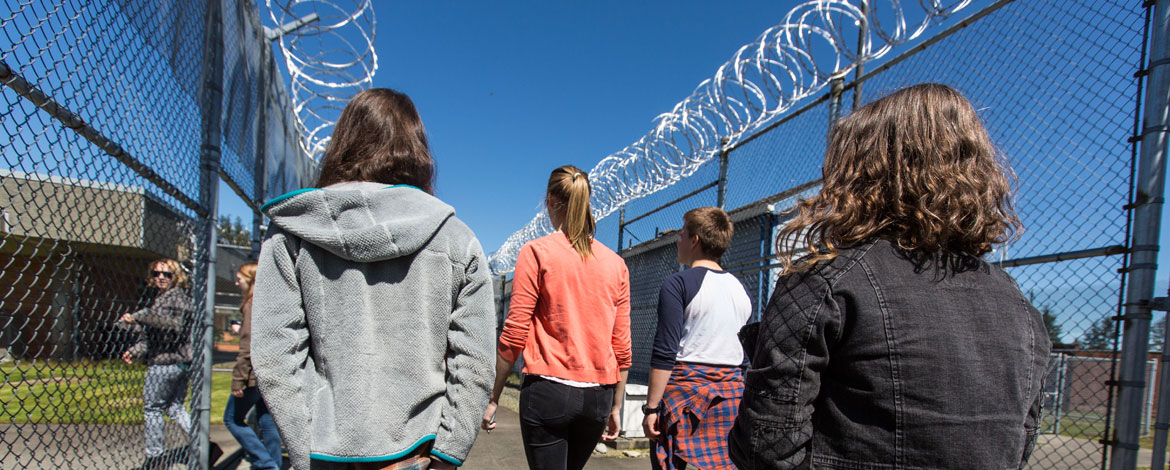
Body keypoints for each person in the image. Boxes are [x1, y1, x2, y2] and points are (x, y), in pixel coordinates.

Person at [728, 83, 1051, 469]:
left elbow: (766, 445)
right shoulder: (1017, 305)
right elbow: (1020, 441)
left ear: (857, 176)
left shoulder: (825, 281)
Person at [250, 88, 496, 470]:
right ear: (418, 150)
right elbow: (475, 361)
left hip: (324, 448)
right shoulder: (455, 237)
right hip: (420, 448)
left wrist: (302, 448)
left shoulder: (292, 232)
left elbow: (275, 355)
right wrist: (449, 453)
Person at [483, 165, 632, 470]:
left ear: (550, 201)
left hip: (548, 390)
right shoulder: (616, 266)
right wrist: (616, 406)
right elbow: (622, 346)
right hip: (598, 397)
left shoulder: (537, 252)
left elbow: (514, 333)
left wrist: (493, 396)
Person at [643, 207, 751, 470]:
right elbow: (744, 355)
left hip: (684, 398)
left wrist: (651, 409)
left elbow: (665, 350)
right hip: (730, 397)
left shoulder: (678, 283)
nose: (678, 241)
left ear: (695, 240)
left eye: (682, 235)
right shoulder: (740, 289)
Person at [118, 258, 195, 469]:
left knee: (152, 408)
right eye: (156, 274)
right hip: (179, 361)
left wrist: (141, 316)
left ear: (176, 277)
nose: (161, 277)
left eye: (167, 274)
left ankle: (155, 457)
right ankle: (199, 442)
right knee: (174, 408)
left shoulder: (176, 297)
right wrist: (135, 350)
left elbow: (173, 326)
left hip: (166, 363)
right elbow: (155, 337)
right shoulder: (164, 298)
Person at [225, 262, 282, 470]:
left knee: (232, 419)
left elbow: (248, 346)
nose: (236, 282)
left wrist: (238, 380)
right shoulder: (268, 304)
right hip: (268, 372)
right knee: (267, 421)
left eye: (239, 279)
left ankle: (266, 463)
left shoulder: (251, 304)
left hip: (252, 375)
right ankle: (274, 464)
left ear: (250, 281)